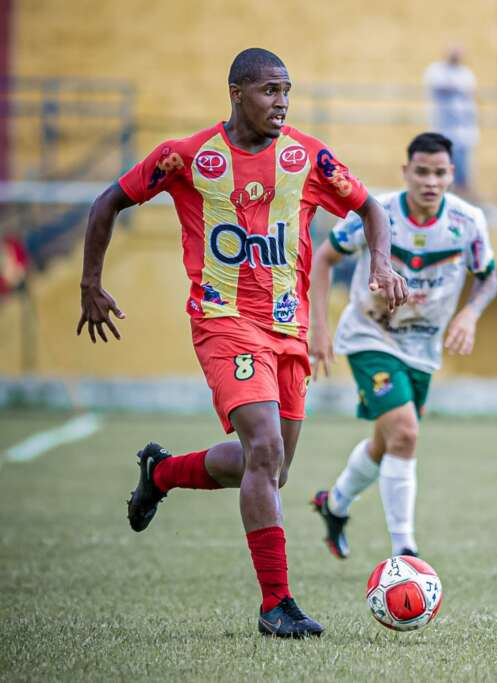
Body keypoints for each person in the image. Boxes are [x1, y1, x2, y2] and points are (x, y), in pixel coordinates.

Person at [76, 48, 407, 637]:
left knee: (272, 469)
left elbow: (370, 208)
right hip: (222, 320)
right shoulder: (186, 156)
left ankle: (162, 474)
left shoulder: (307, 156)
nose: (282, 103)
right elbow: (109, 202)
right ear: (236, 93)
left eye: (287, 91)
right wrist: (90, 283)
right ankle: (276, 604)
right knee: (264, 448)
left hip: (288, 328)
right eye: (269, 91)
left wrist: (381, 259)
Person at [308, 132, 497, 561]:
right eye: (422, 172)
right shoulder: (378, 212)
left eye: (439, 173)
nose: (430, 181)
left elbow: (488, 276)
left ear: (451, 174)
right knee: (406, 433)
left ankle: (334, 503)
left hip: (422, 347)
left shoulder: (467, 221)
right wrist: (318, 328)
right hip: (370, 335)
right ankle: (405, 551)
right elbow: (324, 258)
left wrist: (470, 313)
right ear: (405, 172)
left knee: (387, 441)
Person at [423, 47, 479, 195]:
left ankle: (462, 193)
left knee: (462, 172)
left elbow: (470, 93)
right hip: (444, 130)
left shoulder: (466, 73)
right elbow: (441, 87)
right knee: (442, 167)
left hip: (463, 131)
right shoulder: (436, 70)